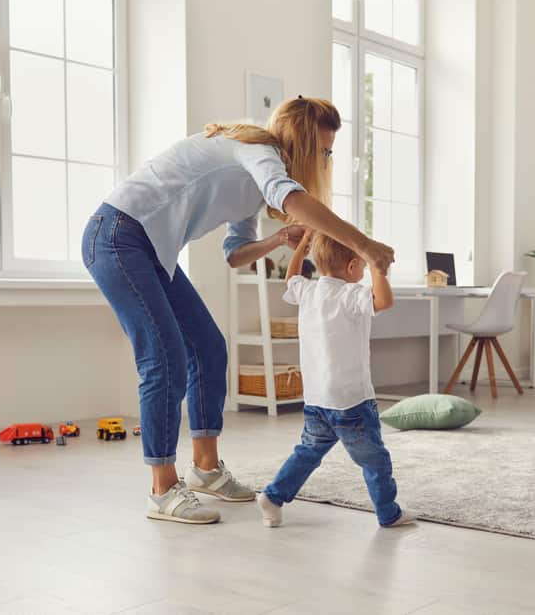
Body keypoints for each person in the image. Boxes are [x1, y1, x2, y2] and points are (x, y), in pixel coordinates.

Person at [82, 97, 394, 524]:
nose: (326, 159)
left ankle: (205, 470)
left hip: (153, 251)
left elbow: (234, 253)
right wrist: (365, 246)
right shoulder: (254, 149)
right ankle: (161, 487)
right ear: (302, 143)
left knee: (209, 347)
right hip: (117, 236)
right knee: (165, 356)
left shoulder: (257, 175)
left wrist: (279, 240)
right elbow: (292, 198)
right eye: (323, 149)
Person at [256, 231, 416, 528]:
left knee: (307, 453)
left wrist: (302, 246)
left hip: (316, 399)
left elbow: (291, 278)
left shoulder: (309, 291)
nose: (366, 273)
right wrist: (378, 262)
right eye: (364, 268)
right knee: (375, 460)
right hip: (351, 400)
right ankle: (388, 513)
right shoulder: (350, 295)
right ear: (353, 267)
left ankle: (274, 496)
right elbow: (384, 301)